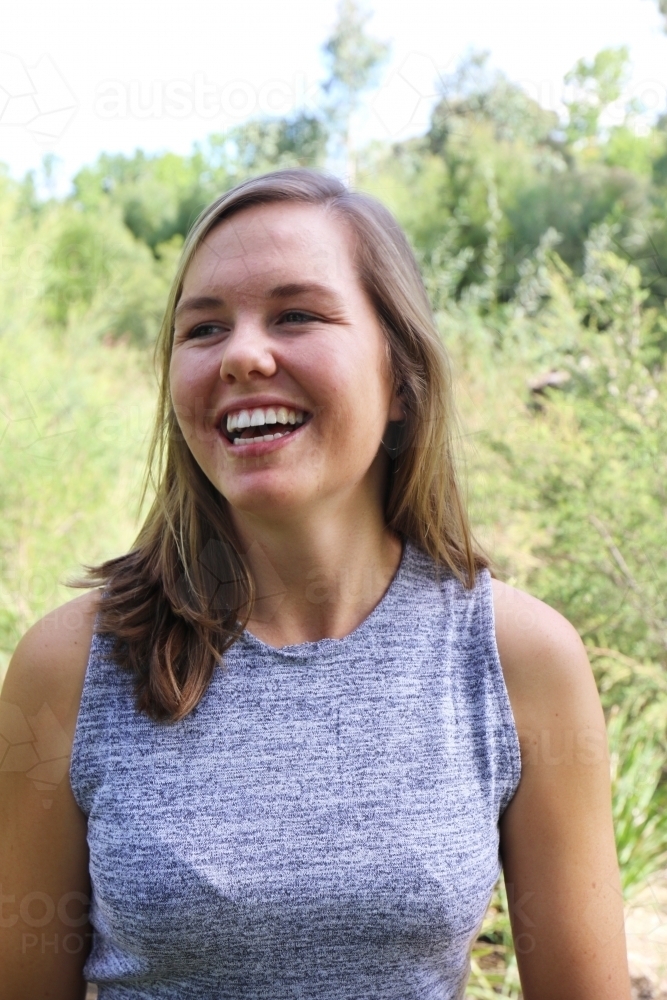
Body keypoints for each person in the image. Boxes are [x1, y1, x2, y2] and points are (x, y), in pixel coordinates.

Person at [1, 169, 631, 999]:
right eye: (203, 328)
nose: (242, 355)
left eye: (296, 314)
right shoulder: (69, 666)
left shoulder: (518, 659)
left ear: (400, 376)